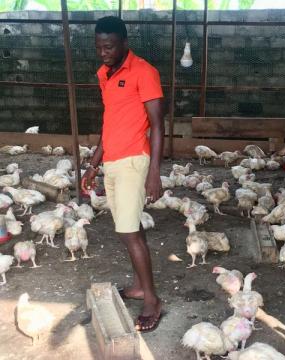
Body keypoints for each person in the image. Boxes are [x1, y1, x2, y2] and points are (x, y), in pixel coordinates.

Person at [81, 16, 165, 332]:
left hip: (134, 162)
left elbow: (158, 125)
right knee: (127, 229)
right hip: (113, 162)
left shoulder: (144, 72)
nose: (103, 52)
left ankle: (152, 301)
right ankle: (141, 286)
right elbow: (110, 121)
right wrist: (94, 164)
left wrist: (154, 172)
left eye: (110, 46)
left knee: (129, 232)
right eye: (99, 46)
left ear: (124, 44)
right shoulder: (104, 74)